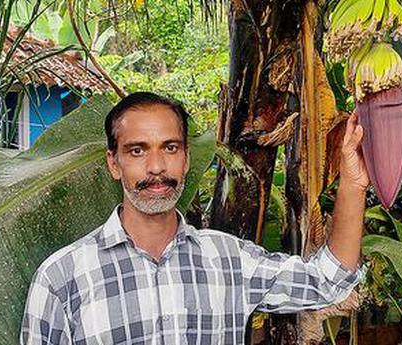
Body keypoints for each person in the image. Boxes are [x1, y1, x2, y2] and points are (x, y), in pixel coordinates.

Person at [20, 92, 369, 344]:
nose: (156, 168)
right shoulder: (62, 278)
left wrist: (353, 182)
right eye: (137, 150)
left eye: (170, 148)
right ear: (114, 163)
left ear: (187, 158)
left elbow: (328, 280)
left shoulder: (230, 261)